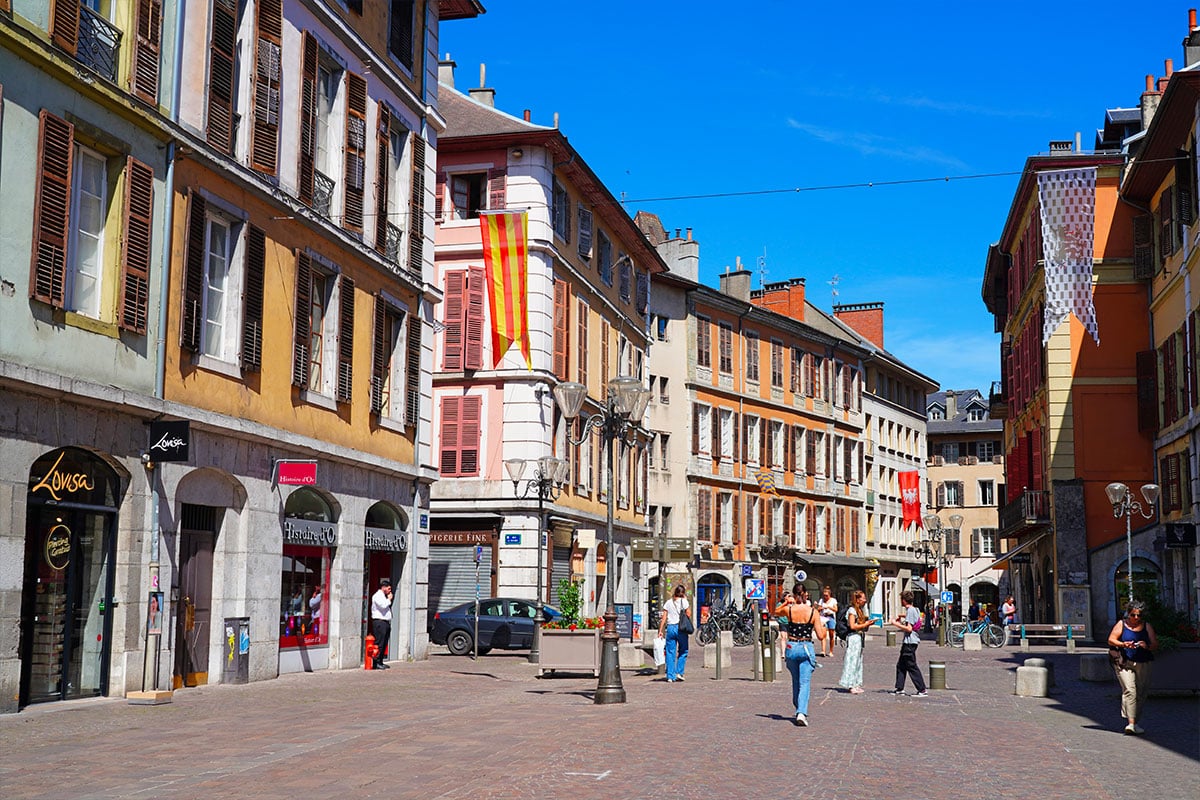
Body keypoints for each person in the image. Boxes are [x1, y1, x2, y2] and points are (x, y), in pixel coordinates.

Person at [775, 582, 825, 725]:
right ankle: (801, 713)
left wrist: (785, 602)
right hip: (806, 646)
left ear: (794, 594)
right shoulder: (812, 611)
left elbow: (776, 611)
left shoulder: (789, 610)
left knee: (795, 681)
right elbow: (821, 636)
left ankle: (798, 707)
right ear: (805, 594)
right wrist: (823, 628)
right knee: (805, 682)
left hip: (791, 646)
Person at [1106, 599, 1157, 735]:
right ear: (1128, 614)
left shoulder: (1147, 626)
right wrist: (1124, 644)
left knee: (1141, 692)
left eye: (1139, 615)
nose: (1135, 618)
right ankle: (1131, 723)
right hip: (1124, 662)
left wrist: (1146, 646)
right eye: (1133, 615)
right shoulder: (1121, 624)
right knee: (1130, 690)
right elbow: (1111, 640)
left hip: (1143, 662)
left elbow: (1154, 645)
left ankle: (1136, 720)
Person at [887, 590, 928, 696]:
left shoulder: (910, 610)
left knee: (911, 665)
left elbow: (909, 628)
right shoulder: (915, 609)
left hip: (910, 642)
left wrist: (895, 624)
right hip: (910, 642)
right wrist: (902, 617)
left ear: (904, 600)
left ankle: (922, 689)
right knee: (901, 665)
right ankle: (899, 688)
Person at [837, 590, 872, 694]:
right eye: (863, 598)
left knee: (857, 661)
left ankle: (856, 683)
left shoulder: (859, 610)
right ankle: (850, 684)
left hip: (858, 637)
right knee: (851, 660)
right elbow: (852, 626)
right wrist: (865, 624)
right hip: (853, 638)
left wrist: (867, 624)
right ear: (857, 599)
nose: (865, 600)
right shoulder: (852, 610)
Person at [658, 584, 691, 682]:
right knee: (683, 650)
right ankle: (679, 672)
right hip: (680, 628)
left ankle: (670, 676)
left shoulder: (668, 602)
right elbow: (688, 614)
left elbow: (664, 618)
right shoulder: (684, 601)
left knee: (669, 652)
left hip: (670, 628)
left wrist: (660, 631)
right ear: (683, 593)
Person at [370, 578, 393, 669]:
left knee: (384, 642)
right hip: (379, 622)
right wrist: (389, 599)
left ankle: (380, 661)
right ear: (383, 587)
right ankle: (376, 662)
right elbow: (383, 606)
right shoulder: (377, 596)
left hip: (385, 622)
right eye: (389, 589)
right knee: (379, 642)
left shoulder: (383, 596)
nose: (389, 591)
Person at [816, 585, 838, 657]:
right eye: (824, 595)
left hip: (830, 617)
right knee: (823, 634)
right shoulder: (821, 600)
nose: (825, 597)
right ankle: (823, 650)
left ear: (829, 595)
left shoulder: (833, 600)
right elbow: (818, 609)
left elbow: (836, 609)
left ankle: (831, 651)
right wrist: (821, 608)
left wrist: (829, 607)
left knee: (831, 635)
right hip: (823, 617)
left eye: (826, 595)